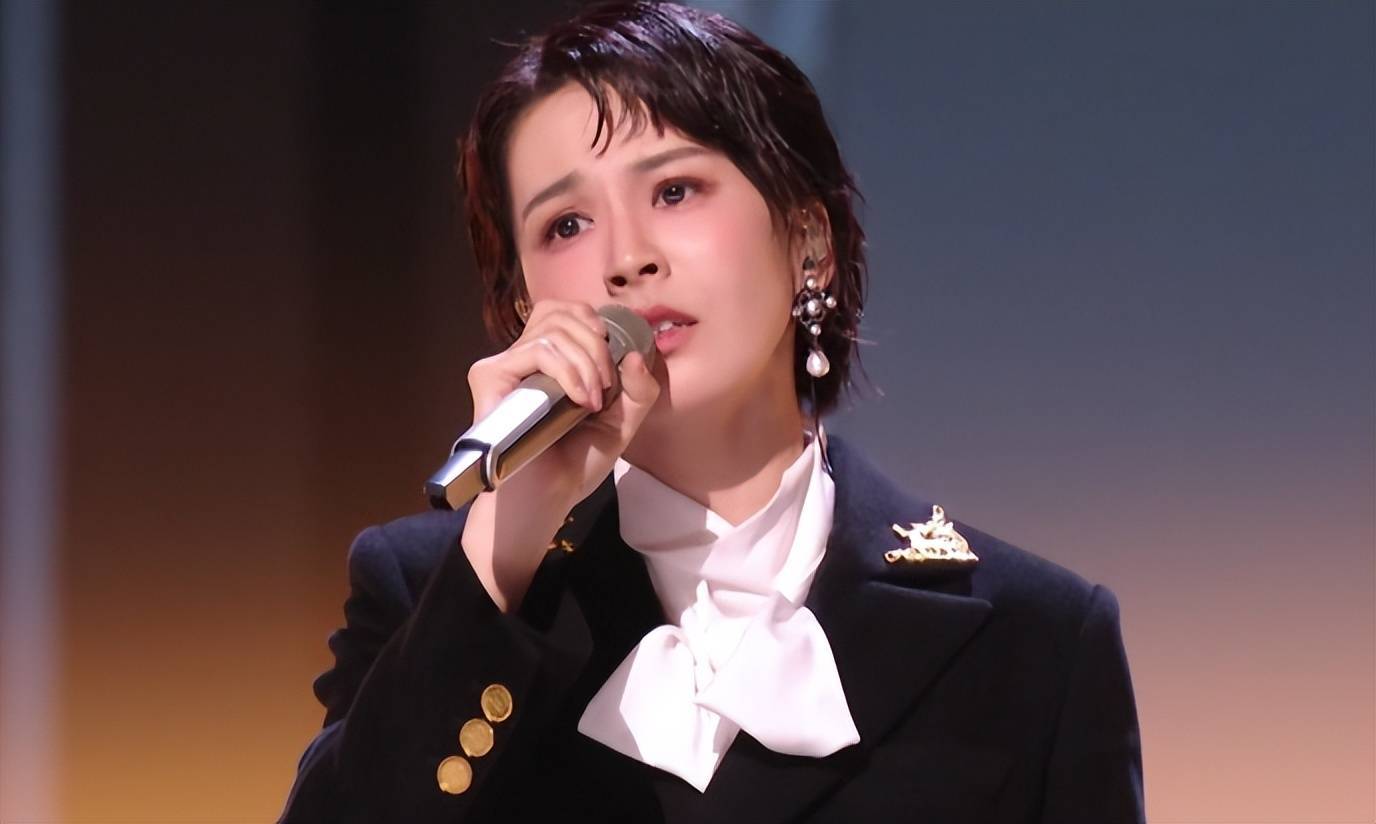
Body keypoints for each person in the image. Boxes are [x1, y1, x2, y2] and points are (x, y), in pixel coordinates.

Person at [279, 2, 1144, 822]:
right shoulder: (433, 590)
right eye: (567, 224)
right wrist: (502, 557)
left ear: (809, 243)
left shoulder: (1035, 638)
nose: (626, 259)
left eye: (675, 191)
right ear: (521, 306)